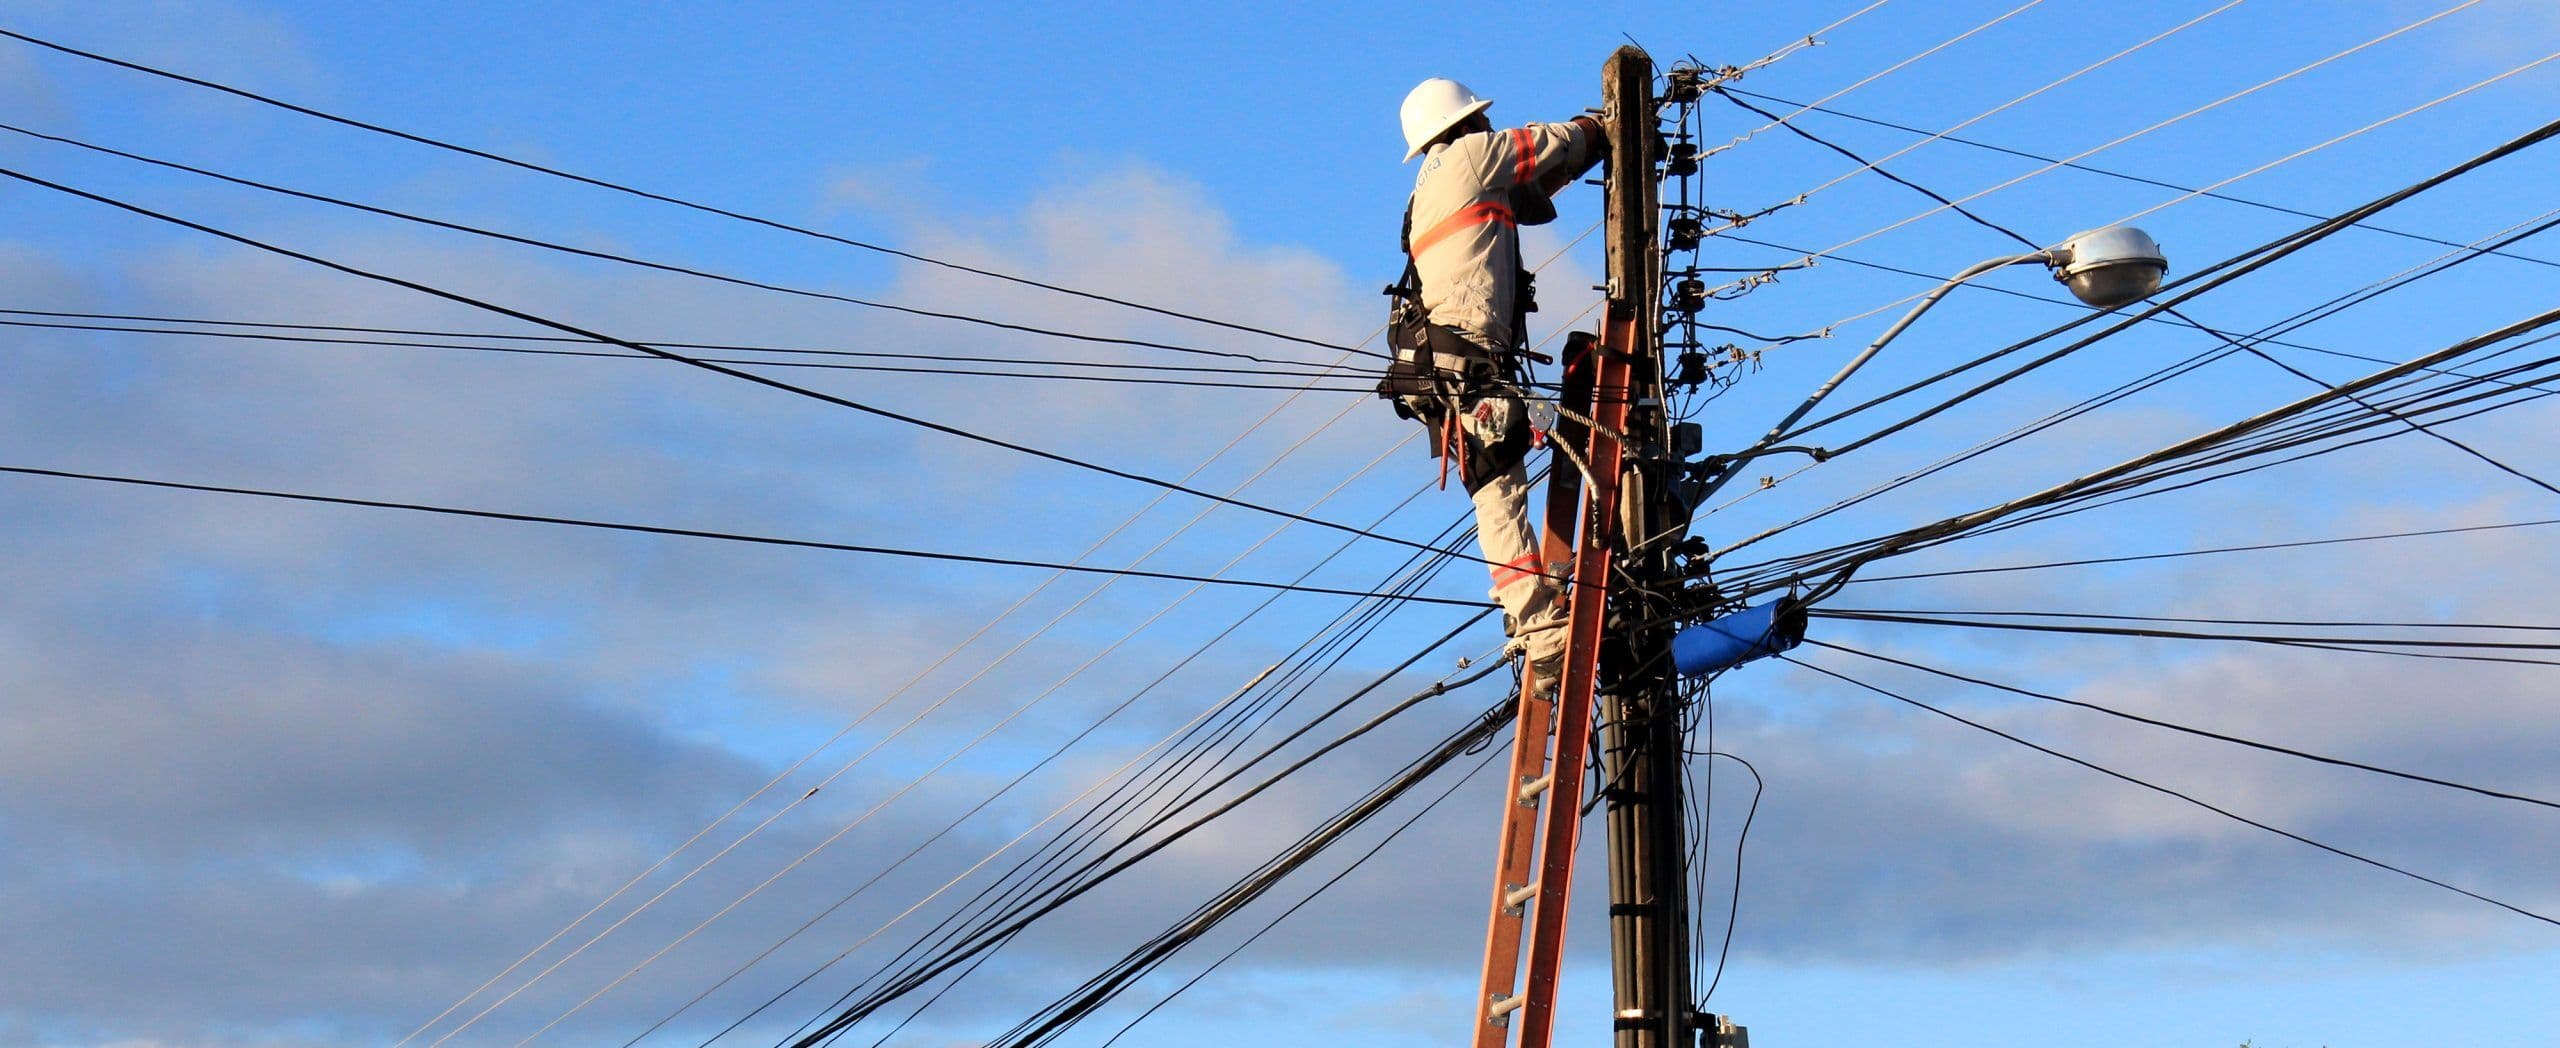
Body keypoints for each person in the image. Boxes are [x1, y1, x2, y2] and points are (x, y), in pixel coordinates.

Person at [1385, 77, 1606, 683]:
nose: (1487, 127)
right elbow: (1546, 145)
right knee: (1501, 490)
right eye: (1479, 120)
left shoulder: (1433, 186)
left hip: (1449, 368)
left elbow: (1531, 194)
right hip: (1468, 363)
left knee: (1495, 488)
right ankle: (1538, 622)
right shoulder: (1468, 156)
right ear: (1460, 127)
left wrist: (1577, 157)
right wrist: (1607, 126)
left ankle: (1528, 611)